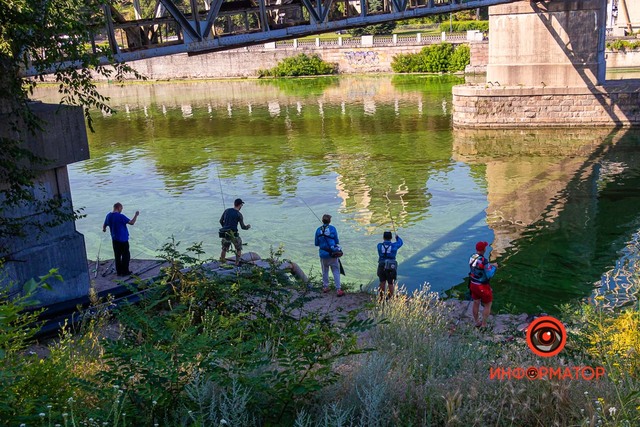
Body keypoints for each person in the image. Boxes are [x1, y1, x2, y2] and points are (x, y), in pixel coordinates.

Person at [103, 202, 139, 276]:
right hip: (123, 240)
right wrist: (136, 215)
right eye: (121, 208)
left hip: (114, 240)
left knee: (117, 256)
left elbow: (104, 225)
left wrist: (104, 229)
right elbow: (131, 223)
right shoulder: (120, 216)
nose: (121, 210)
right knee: (126, 256)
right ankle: (125, 272)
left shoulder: (108, 216)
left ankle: (119, 272)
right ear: (118, 207)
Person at [469, 241, 497, 328]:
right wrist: (494, 267)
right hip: (482, 286)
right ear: (484, 249)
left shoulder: (472, 257)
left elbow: (478, 265)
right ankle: (484, 325)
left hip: (473, 284)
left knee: (476, 302)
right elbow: (489, 274)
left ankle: (477, 322)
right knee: (488, 304)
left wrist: (490, 264)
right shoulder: (484, 261)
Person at [314, 214, 344, 297]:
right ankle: (338, 289)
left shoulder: (318, 230)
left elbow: (316, 243)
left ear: (322, 220)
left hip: (323, 254)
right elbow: (336, 241)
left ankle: (325, 287)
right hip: (332, 253)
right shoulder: (332, 229)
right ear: (329, 221)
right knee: (335, 271)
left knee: (325, 271)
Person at [219, 198, 251, 266]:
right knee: (238, 249)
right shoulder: (239, 214)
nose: (241, 206)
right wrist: (247, 227)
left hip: (226, 233)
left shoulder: (226, 211)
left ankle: (222, 263)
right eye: (241, 205)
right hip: (234, 234)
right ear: (240, 205)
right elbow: (243, 227)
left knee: (224, 249)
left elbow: (221, 221)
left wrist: (225, 227)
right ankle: (236, 264)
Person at [377, 231, 403, 300]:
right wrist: (397, 237)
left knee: (382, 282)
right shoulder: (394, 246)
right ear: (391, 238)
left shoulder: (379, 245)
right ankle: (390, 298)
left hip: (381, 264)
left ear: (383, 237)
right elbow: (400, 243)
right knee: (390, 283)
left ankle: (381, 297)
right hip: (391, 266)